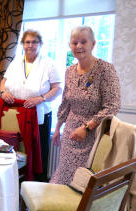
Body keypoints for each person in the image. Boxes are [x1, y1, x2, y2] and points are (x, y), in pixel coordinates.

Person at [50, 26, 121, 185]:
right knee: (64, 176)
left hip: (93, 135)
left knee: (84, 183)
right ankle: (60, 208)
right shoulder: (70, 71)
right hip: (70, 134)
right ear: (70, 45)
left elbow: (113, 105)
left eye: (83, 41)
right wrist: (57, 128)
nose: (79, 46)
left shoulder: (105, 69)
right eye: (74, 43)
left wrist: (86, 128)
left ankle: (80, 210)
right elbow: (66, 102)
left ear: (93, 44)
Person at [0, 30, 62, 182]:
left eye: (34, 42)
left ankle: (36, 185)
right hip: (15, 115)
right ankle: (16, 182)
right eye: (27, 42)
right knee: (16, 149)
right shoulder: (15, 63)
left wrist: (41, 98)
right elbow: (3, 82)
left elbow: (57, 88)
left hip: (38, 116)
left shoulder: (49, 64)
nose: (30, 45)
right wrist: (3, 92)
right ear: (22, 44)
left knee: (36, 153)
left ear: (40, 45)